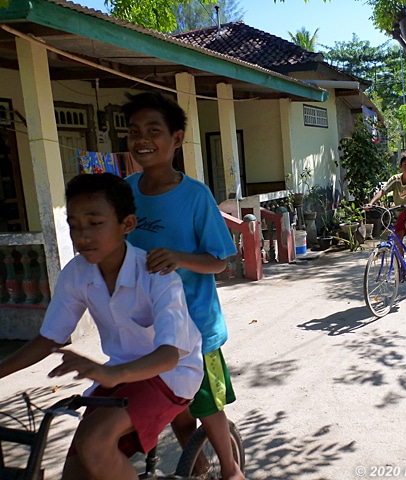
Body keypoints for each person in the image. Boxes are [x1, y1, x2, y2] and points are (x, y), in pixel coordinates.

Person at [0, 173, 203, 480]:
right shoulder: (77, 273)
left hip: (171, 373)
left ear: (127, 224)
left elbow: (169, 356)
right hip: (120, 374)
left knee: (94, 443)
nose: (82, 235)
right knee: (76, 471)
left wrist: (110, 374)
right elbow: (48, 338)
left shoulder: (157, 275)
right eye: (74, 225)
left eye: (95, 223)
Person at [121, 92, 244, 480]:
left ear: (176, 139)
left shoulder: (195, 196)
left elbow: (220, 260)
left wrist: (179, 258)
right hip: (147, 328)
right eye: (134, 131)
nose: (142, 139)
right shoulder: (123, 193)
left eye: (153, 131)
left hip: (196, 326)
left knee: (207, 405)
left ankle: (230, 469)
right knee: (175, 406)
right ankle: (199, 467)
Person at [365, 151, 406, 266]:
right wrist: (371, 203)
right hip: (400, 211)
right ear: (400, 165)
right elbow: (383, 191)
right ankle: (400, 270)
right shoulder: (395, 179)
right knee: (397, 238)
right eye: (405, 165)